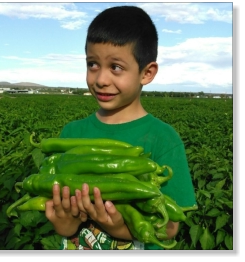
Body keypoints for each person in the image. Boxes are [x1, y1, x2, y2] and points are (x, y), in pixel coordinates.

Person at [45, 5, 197, 250]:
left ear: (146, 73)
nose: (101, 79)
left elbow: (169, 228)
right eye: (93, 64)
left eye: (116, 67)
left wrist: (119, 228)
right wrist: (65, 225)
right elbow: (63, 221)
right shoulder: (71, 135)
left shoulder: (163, 139)